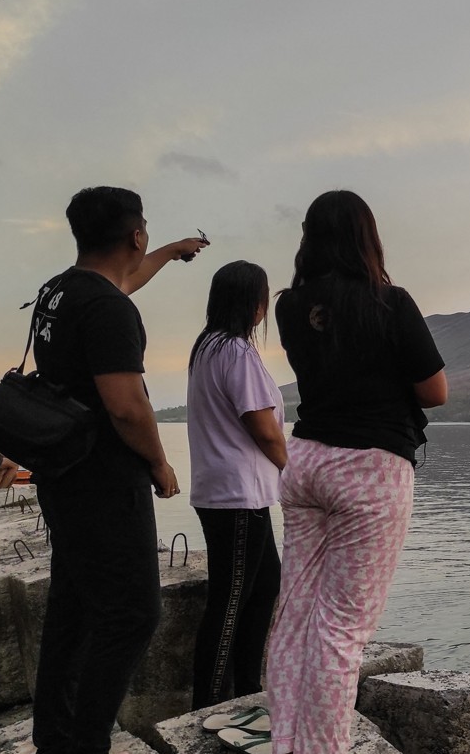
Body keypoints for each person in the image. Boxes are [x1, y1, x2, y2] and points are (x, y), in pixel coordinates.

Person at [266, 189, 447, 754]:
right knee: (342, 632)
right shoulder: (390, 302)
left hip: (306, 461)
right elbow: (435, 391)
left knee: (294, 614)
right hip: (369, 469)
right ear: (367, 237)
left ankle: (286, 743)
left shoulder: (288, 307)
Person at [30, 186, 208, 754]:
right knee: (133, 614)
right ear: (135, 235)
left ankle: (55, 737)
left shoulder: (60, 291)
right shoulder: (109, 310)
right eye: (149, 232)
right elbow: (127, 406)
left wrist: (174, 251)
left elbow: (124, 278)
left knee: (75, 604)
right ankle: (87, 743)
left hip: (63, 476)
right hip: (104, 482)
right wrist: (159, 464)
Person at [187, 261, 286, 709]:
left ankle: (248, 691)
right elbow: (263, 427)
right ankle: (207, 706)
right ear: (254, 304)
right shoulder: (237, 352)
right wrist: (294, 469)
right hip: (237, 494)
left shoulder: (207, 347)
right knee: (230, 602)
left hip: (227, 491)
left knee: (265, 587)